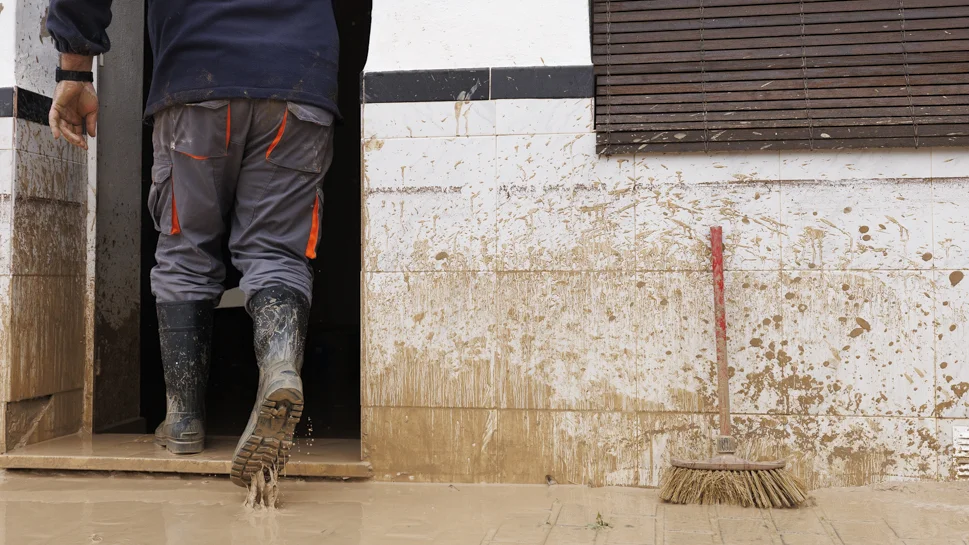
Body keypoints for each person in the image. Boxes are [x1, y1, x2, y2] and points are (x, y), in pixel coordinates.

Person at [46, 0, 340, 488]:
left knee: (186, 253)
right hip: (299, 81)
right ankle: (280, 367)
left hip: (199, 74)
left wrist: (75, 67)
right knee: (276, 254)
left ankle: (183, 419)